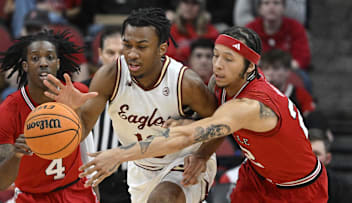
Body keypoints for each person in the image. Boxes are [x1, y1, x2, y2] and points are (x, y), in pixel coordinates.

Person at [77, 26, 328, 203]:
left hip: (299, 189)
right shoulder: (220, 83)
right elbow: (203, 123)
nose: (217, 65)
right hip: (257, 176)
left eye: (228, 59)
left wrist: (119, 154)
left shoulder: (250, 105)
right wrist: (202, 150)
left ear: (250, 66)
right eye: (216, 55)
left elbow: (187, 135)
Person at [43, 7, 218, 203]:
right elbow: (82, 128)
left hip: (184, 160)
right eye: (128, 45)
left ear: (161, 48)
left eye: (141, 47)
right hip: (141, 167)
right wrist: (70, 112)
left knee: (163, 199)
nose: (132, 54)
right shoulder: (110, 76)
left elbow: (220, 123)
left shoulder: (185, 82)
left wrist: (202, 155)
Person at [0, 30, 98, 203]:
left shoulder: (76, 94)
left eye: (49, 57)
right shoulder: (7, 112)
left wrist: (77, 109)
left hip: (76, 191)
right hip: (31, 197)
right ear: (25, 66)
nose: (43, 63)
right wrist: (16, 155)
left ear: (57, 63)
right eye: (35, 58)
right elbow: (0, 183)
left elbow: (85, 141)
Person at [83, 26, 130, 203]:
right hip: (94, 177)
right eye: (111, 52)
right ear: (100, 54)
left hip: (131, 177)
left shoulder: (144, 91)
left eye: (122, 52)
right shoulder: (83, 91)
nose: (117, 59)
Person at [246, 0, 311, 70]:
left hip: (289, 71)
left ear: (284, 8)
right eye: (266, 3)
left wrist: (281, 70)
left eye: (276, 3)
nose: (271, 7)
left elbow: (302, 58)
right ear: (259, 9)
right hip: (257, 72)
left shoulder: (295, 27)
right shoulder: (250, 29)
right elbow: (244, 56)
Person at [259, 49, 315, 117]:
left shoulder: (299, 94)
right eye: (266, 68)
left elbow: (310, 114)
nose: (270, 73)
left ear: (287, 72)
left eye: (276, 68)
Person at [166, 0, 219, 64]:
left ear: (201, 7)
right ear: (179, 5)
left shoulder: (209, 30)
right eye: (186, 2)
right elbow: (169, 56)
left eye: (194, 3)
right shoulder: (171, 29)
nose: (189, 7)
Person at [309, 128, 352, 203]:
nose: (310, 158)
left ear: (328, 158)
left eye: (316, 154)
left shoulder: (342, 188)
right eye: (306, 153)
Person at [233, 0, 309, 28]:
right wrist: (263, 27)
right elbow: (241, 19)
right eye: (266, 3)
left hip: (287, 31)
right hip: (257, 33)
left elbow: (299, 19)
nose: (271, 7)